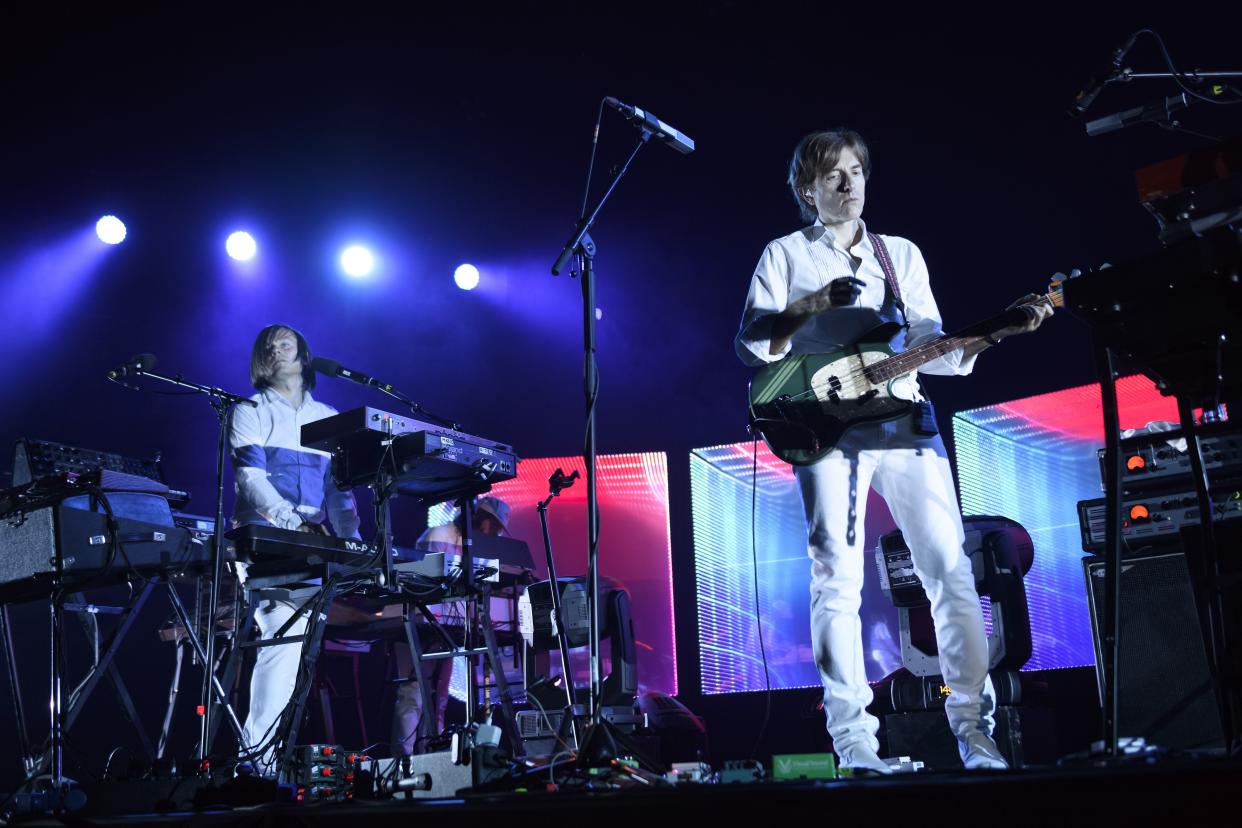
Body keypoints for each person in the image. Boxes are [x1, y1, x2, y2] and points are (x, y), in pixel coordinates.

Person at [734, 129, 1052, 773]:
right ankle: (855, 748)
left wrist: (998, 332)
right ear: (807, 189)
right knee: (836, 580)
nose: (849, 184)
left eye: (856, 171)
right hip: (826, 425)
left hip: (905, 417)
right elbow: (753, 342)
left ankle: (974, 731)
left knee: (950, 570)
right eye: (833, 175)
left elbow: (939, 346)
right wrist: (812, 304)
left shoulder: (899, 254)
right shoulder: (785, 253)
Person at [230, 323, 361, 775]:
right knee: (282, 642)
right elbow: (251, 481)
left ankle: (272, 760)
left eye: (285, 342)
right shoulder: (248, 410)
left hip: (310, 543)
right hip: (265, 541)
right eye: (267, 345)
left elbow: (339, 492)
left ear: (304, 354)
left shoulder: (327, 415)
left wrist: (353, 542)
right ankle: (257, 762)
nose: (275, 349)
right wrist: (294, 524)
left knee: (299, 648)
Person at [391, 495, 512, 754]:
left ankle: (432, 758)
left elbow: (489, 590)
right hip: (419, 620)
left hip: (451, 628)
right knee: (413, 693)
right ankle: (405, 761)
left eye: (497, 527)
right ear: (477, 517)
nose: (492, 531)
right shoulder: (439, 534)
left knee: (440, 696)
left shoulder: (489, 549)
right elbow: (418, 577)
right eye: (490, 523)